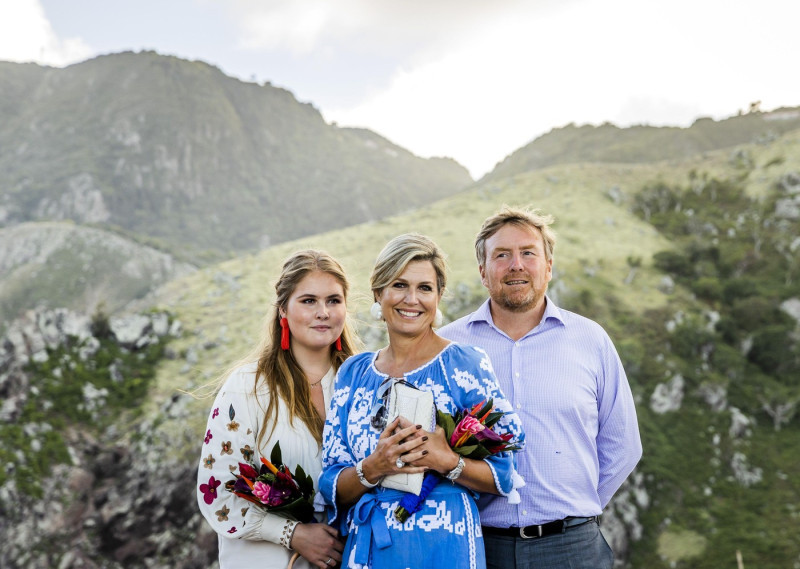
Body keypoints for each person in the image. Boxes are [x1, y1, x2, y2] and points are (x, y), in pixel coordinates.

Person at [438, 206, 643, 569]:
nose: (516, 264)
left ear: (548, 265)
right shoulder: (448, 348)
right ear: (483, 272)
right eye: (502, 255)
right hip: (481, 548)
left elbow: (622, 445)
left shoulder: (590, 339)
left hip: (573, 548)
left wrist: (571, 510)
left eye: (528, 253)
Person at [319, 233, 525, 569]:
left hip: (444, 547)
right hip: (367, 548)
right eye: (399, 285)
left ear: (439, 296)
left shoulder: (464, 364)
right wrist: (374, 467)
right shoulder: (353, 373)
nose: (411, 299)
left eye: (425, 288)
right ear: (379, 293)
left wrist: (447, 461)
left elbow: (504, 474)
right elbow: (331, 484)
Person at [196, 250, 358, 569]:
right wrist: (292, 533)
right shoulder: (248, 387)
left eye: (334, 301)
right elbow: (216, 492)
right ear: (283, 309)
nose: (323, 312)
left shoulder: (362, 384)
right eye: (308, 300)